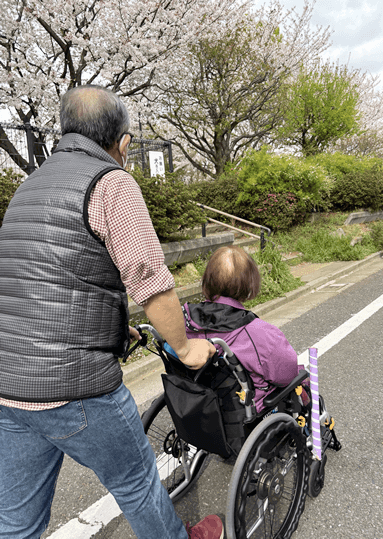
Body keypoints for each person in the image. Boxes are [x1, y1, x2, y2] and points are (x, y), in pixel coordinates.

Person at [0, 85, 222, 538]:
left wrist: (122, 333)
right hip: (75, 386)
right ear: (121, 143)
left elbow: (52, 284)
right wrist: (183, 347)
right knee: (137, 482)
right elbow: (149, 279)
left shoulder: (29, 186)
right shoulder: (111, 182)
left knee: (17, 522)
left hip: (7, 383)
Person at [180, 245, 310, 413]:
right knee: (302, 380)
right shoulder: (258, 332)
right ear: (249, 284)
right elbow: (287, 373)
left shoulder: (182, 322)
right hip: (244, 413)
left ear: (208, 279)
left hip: (198, 406)